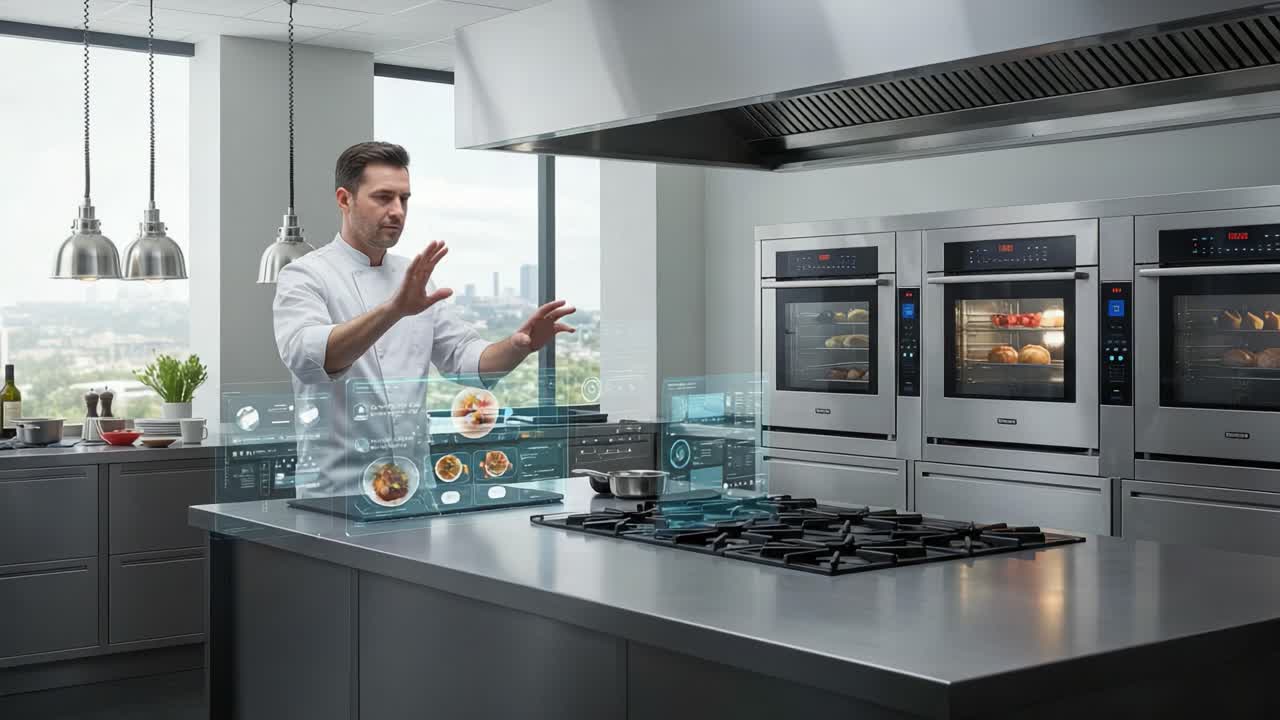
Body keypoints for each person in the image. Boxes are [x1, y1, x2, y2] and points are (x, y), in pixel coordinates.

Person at [273, 141, 576, 497]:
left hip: (414, 489)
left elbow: (466, 361)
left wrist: (518, 345)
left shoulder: (414, 277)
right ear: (345, 199)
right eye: (383, 197)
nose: (397, 211)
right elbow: (309, 358)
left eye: (404, 199)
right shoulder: (306, 275)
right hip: (337, 493)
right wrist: (394, 309)